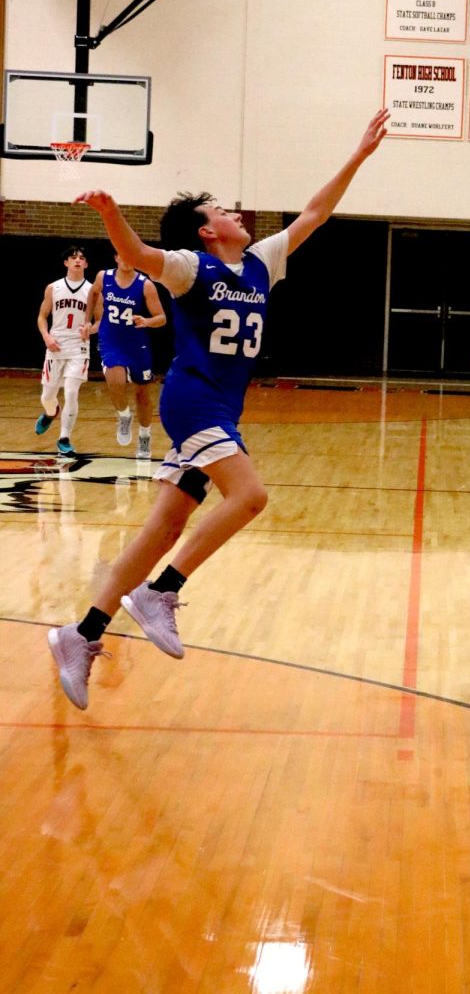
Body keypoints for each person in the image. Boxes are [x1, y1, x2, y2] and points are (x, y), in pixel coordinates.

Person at [46, 108, 390, 711]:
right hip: (192, 399)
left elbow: (315, 213)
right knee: (250, 496)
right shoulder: (189, 267)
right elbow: (141, 252)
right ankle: (162, 592)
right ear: (208, 231)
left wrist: (358, 155)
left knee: (163, 528)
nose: (236, 214)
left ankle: (81, 635)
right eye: (224, 211)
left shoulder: (262, 261)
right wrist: (109, 213)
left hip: (220, 408)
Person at [87, 252, 167, 460]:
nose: (127, 259)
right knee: (115, 379)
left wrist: (147, 321)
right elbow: (93, 294)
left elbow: (162, 318)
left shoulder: (145, 285)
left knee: (142, 394)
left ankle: (144, 435)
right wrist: (88, 320)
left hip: (137, 344)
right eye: (123, 255)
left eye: (131, 256)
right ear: (116, 257)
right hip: (111, 340)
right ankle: (123, 415)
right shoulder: (103, 277)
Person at [35, 245, 94, 457]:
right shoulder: (53, 288)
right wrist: (47, 337)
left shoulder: (93, 290)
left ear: (86, 264)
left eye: (82, 257)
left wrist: (91, 329)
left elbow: (102, 319)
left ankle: (64, 438)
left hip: (79, 346)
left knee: (71, 391)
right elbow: (42, 317)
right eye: (73, 257)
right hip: (55, 345)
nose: (78, 260)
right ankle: (51, 412)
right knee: (47, 396)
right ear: (66, 263)